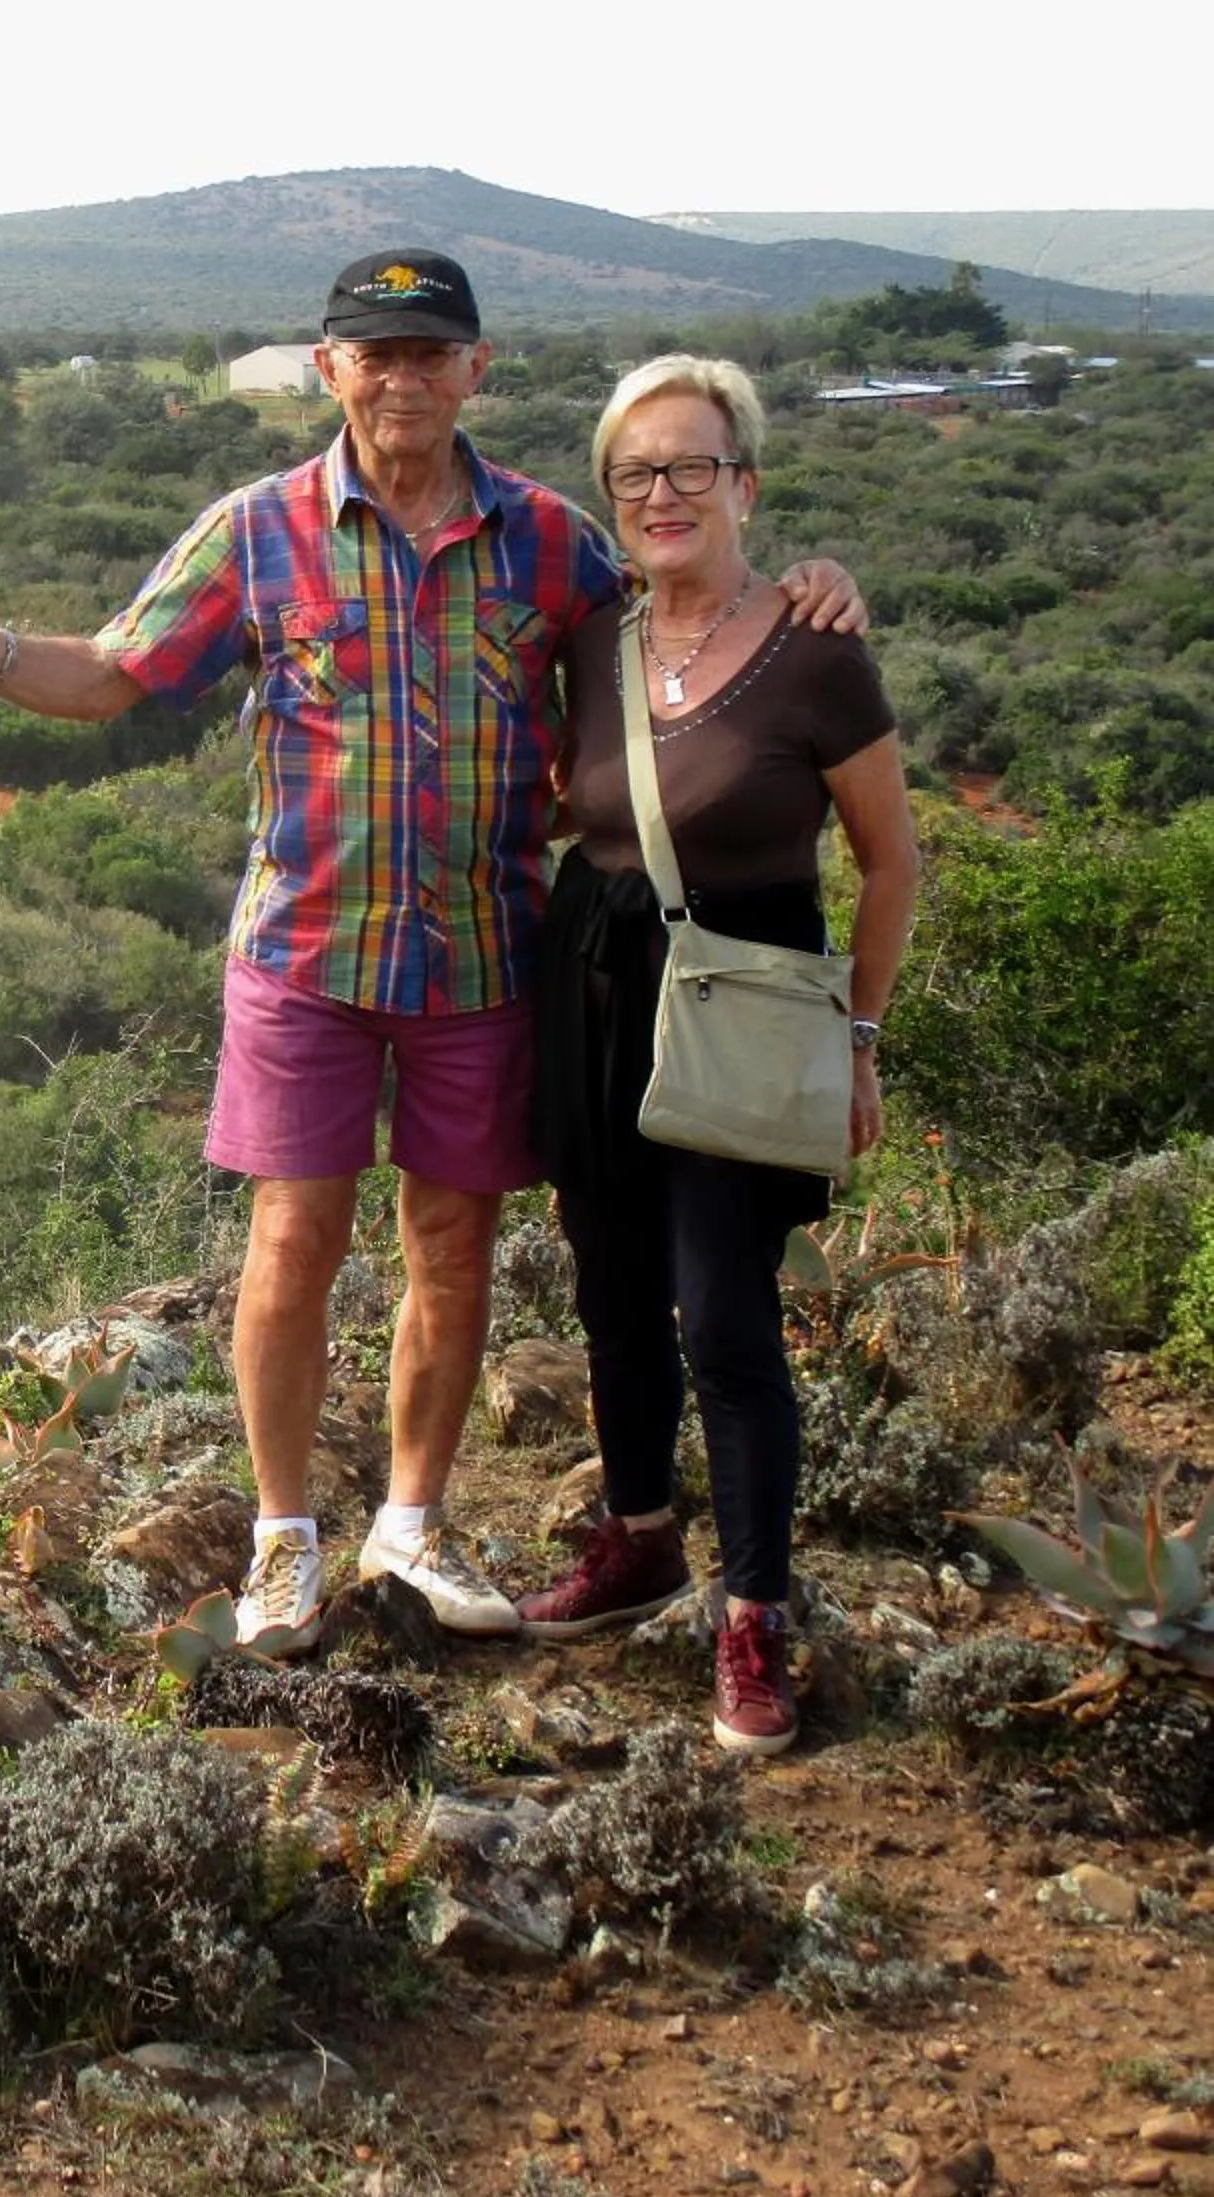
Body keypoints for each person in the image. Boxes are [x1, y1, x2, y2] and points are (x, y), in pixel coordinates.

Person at [0, 251, 863, 1653]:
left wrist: (810, 587)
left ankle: (410, 1521)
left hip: (484, 950)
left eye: (432, 352)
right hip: (304, 949)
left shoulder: (547, 541)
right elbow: (115, 672)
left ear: (477, 369)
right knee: (292, 1239)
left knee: (454, 1245)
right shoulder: (256, 531)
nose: (404, 377)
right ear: (328, 368)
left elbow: (685, 613)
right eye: (377, 353)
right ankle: (284, 1535)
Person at [513, 355, 919, 1754]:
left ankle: (754, 1613)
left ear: (744, 484)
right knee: (612, 1293)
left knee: (727, 1319)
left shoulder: (816, 649)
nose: (665, 492)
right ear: (612, 498)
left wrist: (858, 1039)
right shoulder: (590, 641)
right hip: (594, 986)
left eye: (694, 466)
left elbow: (890, 862)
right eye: (638, 472)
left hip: (742, 1004)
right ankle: (639, 1540)